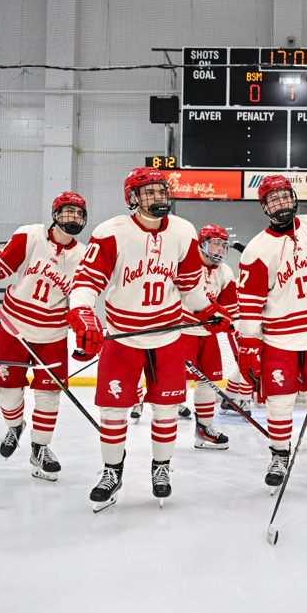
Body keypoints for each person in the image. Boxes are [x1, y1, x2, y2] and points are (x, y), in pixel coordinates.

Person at [67, 167, 222, 511]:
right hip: (123, 338)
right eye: (148, 192)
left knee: (166, 410)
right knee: (112, 412)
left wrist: (210, 312)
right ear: (133, 198)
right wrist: (83, 313)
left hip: (167, 337)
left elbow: (190, 289)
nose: (157, 197)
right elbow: (86, 283)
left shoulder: (183, 231)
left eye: (161, 190)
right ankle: (112, 472)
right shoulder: (112, 231)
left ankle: (161, 469)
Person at [235, 174, 307, 490]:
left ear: (294, 197)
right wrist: (249, 346)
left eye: (286, 196)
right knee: (280, 403)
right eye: (274, 199)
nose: (282, 203)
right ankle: (279, 455)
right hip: (279, 340)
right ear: (264, 206)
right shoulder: (256, 250)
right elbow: (250, 308)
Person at [0, 193, 88, 481]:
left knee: (49, 395)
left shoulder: (84, 254)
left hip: (53, 334)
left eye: (80, 215)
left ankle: (40, 448)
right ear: (55, 214)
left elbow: (82, 294)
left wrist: (82, 324)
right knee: (8, 390)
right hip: (13, 328)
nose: (75, 219)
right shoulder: (31, 236)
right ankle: (14, 426)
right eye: (69, 212)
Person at [181, 224, 237, 449]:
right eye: (215, 243)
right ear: (202, 243)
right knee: (176, 383)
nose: (220, 249)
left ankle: (204, 429)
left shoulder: (225, 272)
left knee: (209, 382)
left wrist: (232, 324)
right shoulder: (185, 264)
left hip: (208, 336)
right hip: (182, 333)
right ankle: (164, 425)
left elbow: (231, 308)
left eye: (223, 244)